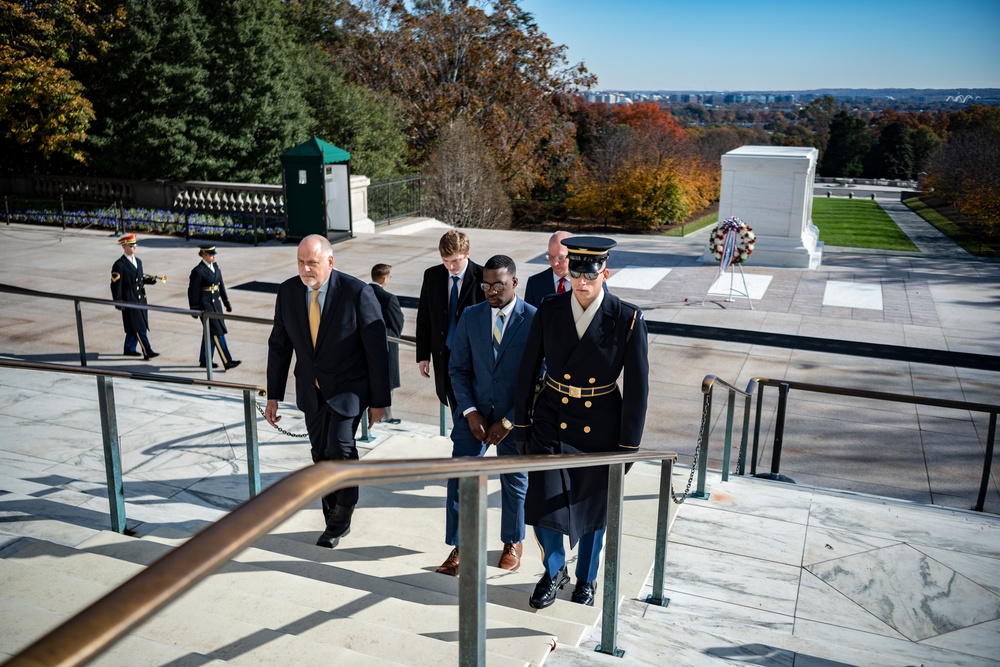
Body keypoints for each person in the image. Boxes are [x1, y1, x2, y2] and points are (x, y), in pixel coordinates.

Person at [514, 236, 649, 609]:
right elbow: (528, 367)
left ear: (605, 273)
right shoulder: (550, 308)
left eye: (590, 275)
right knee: (542, 504)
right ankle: (554, 569)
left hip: (601, 422)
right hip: (551, 416)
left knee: (593, 510)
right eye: (575, 273)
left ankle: (586, 579)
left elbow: (638, 387)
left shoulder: (627, 318)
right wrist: (521, 421)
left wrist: (628, 445)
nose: (582, 282)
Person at [265, 234, 391, 549]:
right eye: (301, 262)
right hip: (310, 390)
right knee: (320, 455)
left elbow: (377, 352)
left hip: (349, 388)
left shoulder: (357, 292)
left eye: (312, 262)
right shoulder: (288, 292)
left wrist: (379, 402)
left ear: (330, 262)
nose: (305, 268)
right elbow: (279, 347)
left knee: (341, 448)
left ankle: (341, 518)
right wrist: (273, 395)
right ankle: (331, 514)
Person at [435, 255, 536, 577]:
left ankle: (513, 540)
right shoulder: (471, 315)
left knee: (515, 483)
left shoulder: (534, 319)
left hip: (513, 420)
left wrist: (509, 419)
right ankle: (462, 545)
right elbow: (457, 368)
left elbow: (539, 376)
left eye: (498, 285)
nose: (491, 291)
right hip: (473, 416)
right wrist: (470, 411)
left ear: (514, 282)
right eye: (486, 285)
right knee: (462, 480)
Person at [415, 230, 486, 410]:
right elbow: (424, 317)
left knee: (473, 413)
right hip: (444, 358)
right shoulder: (432, 276)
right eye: (445, 261)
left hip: (474, 361)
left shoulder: (484, 277)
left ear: (468, 253)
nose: (451, 267)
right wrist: (423, 355)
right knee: (457, 413)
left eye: (455, 260)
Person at [187, 245, 240, 370]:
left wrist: (226, 302)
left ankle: (205, 360)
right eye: (211, 254)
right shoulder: (198, 271)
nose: (213, 256)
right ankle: (227, 361)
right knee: (217, 332)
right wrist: (194, 309)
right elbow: (193, 291)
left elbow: (221, 286)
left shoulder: (216, 267)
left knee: (210, 333)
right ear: (204, 255)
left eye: (214, 254)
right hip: (206, 306)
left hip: (216, 305)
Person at [109, 234, 160, 361]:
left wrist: (150, 281)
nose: (134, 247)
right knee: (139, 326)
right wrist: (118, 301)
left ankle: (129, 349)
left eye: (135, 245)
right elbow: (116, 285)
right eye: (131, 245)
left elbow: (139, 279)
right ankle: (147, 351)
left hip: (141, 297)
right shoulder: (119, 265)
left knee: (135, 325)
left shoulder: (138, 262)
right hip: (129, 298)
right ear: (124, 246)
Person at [370, 263, 404, 424]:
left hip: (367, 343)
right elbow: (398, 321)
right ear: (384, 279)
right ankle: (386, 416)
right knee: (388, 381)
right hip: (387, 343)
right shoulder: (389, 298)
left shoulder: (363, 293)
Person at [523, 230, 572, 308]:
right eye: (551, 257)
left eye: (561, 258)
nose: (555, 263)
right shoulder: (535, 283)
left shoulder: (585, 281)